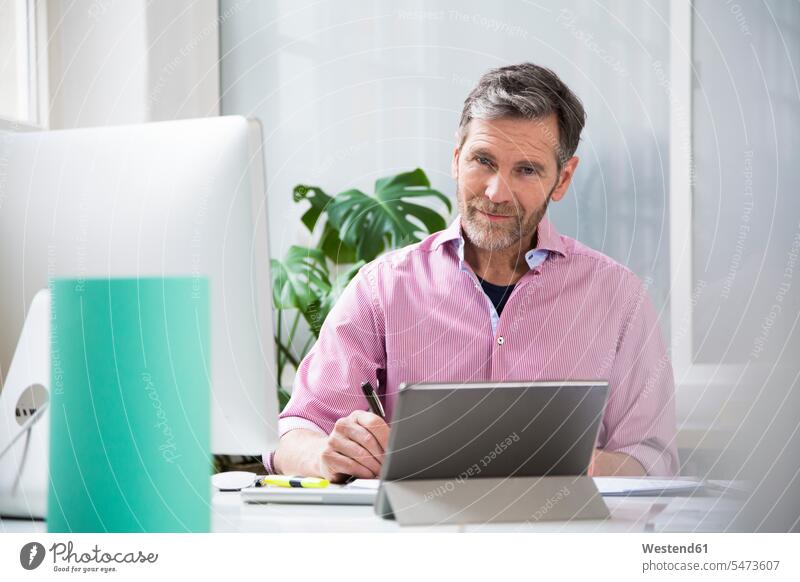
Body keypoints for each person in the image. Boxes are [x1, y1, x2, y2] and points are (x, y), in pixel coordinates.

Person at [267, 63, 678, 481]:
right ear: (456, 159)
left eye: (527, 170)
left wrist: (577, 466)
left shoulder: (618, 296)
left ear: (563, 178)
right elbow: (293, 434)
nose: (496, 193)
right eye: (483, 160)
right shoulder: (381, 289)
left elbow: (651, 456)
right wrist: (325, 455)